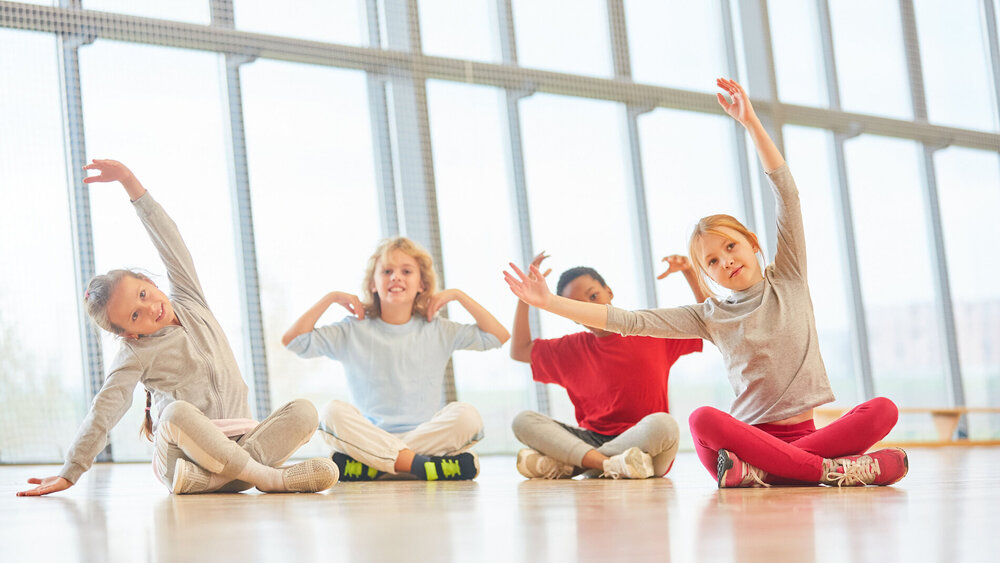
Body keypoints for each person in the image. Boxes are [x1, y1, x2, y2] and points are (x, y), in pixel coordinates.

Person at [504, 78, 908, 488]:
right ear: (706, 274)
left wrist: (750, 122)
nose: (726, 261)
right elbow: (625, 320)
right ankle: (831, 470)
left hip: (808, 437)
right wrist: (546, 303)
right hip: (749, 438)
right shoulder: (709, 315)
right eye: (711, 261)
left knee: (883, 410)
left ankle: (770, 471)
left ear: (753, 243)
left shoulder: (789, 276)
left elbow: (787, 195)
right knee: (702, 421)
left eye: (731, 247)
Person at [17, 159, 338, 497]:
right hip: (183, 456)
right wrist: (71, 471)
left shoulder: (189, 299)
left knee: (304, 411)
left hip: (240, 443)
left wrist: (129, 182)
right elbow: (106, 406)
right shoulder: (135, 353)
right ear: (129, 333)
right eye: (135, 316)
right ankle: (268, 478)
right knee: (174, 413)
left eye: (143, 294)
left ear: (147, 281)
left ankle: (222, 479)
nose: (149, 308)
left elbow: (169, 240)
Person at [283, 237, 510, 481]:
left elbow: (498, 336)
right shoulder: (352, 330)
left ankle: (375, 465)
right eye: (387, 271)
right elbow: (293, 340)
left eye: (406, 271)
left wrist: (458, 295)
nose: (396, 277)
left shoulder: (439, 329)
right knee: (331, 413)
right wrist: (331, 298)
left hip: (406, 439)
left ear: (422, 284)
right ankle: (422, 466)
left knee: (468, 416)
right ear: (373, 284)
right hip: (369, 434)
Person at [509, 252, 707, 479]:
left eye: (593, 296)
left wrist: (690, 271)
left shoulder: (650, 329)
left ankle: (574, 466)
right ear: (572, 315)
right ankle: (610, 465)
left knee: (665, 425)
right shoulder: (570, 349)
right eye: (577, 306)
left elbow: (707, 322)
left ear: (609, 292)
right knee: (523, 421)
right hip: (592, 439)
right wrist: (525, 298)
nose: (591, 308)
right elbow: (520, 350)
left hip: (645, 445)